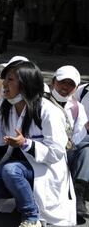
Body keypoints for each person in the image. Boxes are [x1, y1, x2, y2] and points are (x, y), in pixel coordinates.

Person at [0, 61, 76, 226]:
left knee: (11, 170)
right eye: (5, 78)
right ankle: (26, 197)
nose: (4, 84)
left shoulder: (48, 111)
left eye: (10, 79)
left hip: (45, 166)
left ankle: (31, 217)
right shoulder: (7, 106)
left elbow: (57, 153)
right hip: (19, 164)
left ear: (26, 84)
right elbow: (1, 140)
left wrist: (25, 143)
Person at [50, 65, 89, 218]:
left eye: (70, 84)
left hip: (70, 149)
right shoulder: (40, 102)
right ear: (53, 81)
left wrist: (85, 128)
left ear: (75, 87)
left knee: (86, 149)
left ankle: (78, 194)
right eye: (62, 82)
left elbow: (76, 139)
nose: (65, 87)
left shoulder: (77, 108)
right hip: (46, 152)